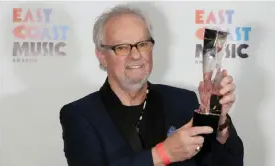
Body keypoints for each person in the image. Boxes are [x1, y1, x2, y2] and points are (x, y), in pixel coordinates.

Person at [59, 4, 244, 166]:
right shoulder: (79, 115)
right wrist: (163, 154)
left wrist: (219, 122)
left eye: (143, 44)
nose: (136, 55)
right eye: (122, 47)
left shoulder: (183, 101)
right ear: (102, 56)